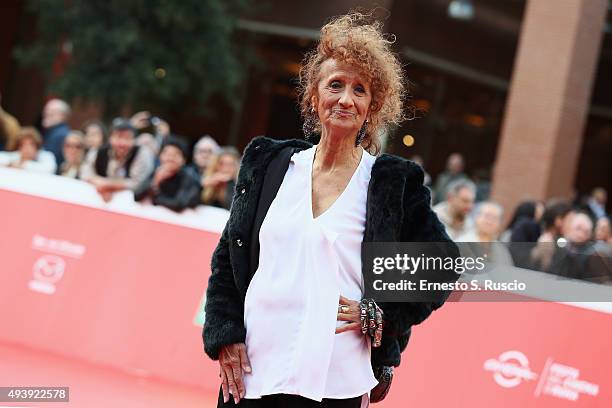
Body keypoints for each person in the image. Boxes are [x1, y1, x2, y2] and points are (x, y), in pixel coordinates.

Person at [203, 13, 458, 408]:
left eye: (360, 90)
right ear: (313, 96)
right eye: (335, 85)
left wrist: (381, 315)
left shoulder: (391, 181)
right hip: (254, 365)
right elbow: (227, 259)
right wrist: (224, 332)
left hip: (335, 376)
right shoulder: (267, 163)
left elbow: (441, 266)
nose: (345, 98)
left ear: (372, 106)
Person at [80, 118, 155, 201]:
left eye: (127, 138)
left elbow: (138, 183)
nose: (122, 143)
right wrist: (102, 184)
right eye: (118, 137)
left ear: (134, 140)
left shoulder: (142, 153)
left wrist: (108, 186)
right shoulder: (98, 151)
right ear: (110, 138)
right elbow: (85, 174)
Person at [134, 137, 201, 212]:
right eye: (167, 154)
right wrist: (155, 181)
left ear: (183, 160)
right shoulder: (156, 172)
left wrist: (154, 198)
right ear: (160, 156)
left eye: (175, 155)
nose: (170, 158)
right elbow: (136, 196)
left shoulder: (190, 178)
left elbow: (178, 204)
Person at [41, 98, 71, 166]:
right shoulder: (52, 132)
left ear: (63, 115)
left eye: (52, 111)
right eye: (46, 110)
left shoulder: (60, 135)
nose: (47, 113)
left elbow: (49, 160)